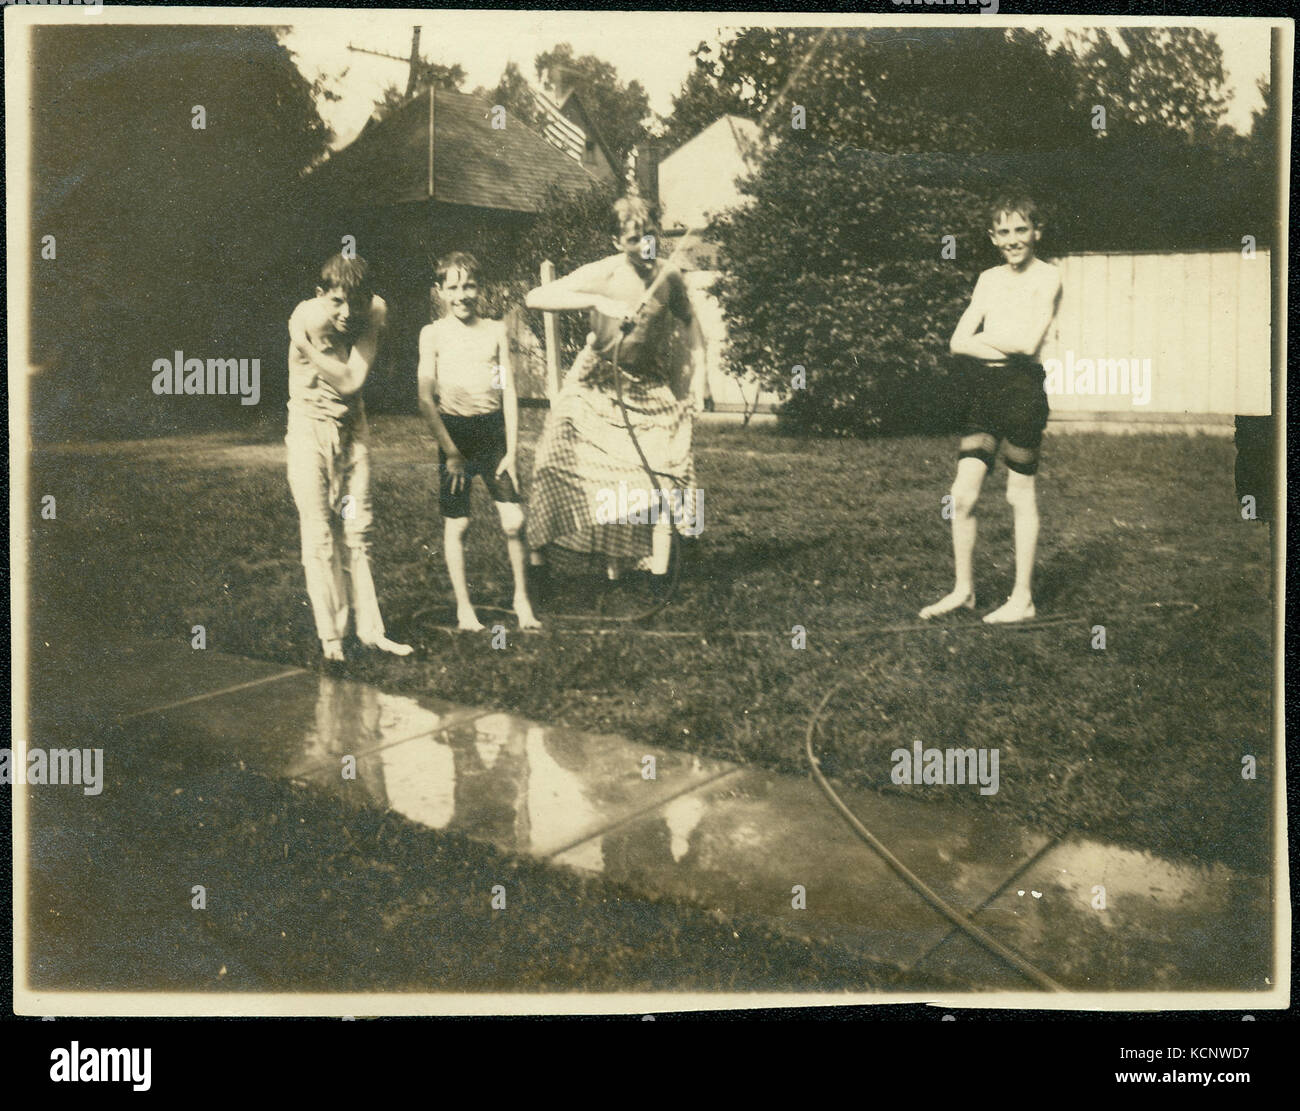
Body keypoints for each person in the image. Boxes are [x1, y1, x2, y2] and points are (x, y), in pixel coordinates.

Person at [523, 195, 707, 597]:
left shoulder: (668, 277)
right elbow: (534, 298)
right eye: (633, 240)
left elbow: (691, 323)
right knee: (552, 458)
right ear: (615, 241)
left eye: (650, 239)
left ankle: (659, 578)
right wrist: (596, 301)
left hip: (645, 383)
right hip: (596, 381)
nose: (644, 248)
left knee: (665, 472)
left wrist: (698, 380)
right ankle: (537, 568)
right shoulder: (603, 274)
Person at [920, 198, 1062, 625]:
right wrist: (1005, 338)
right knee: (961, 495)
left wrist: (989, 337)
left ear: (1037, 231)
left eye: (1022, 230)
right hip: (985, 392)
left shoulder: (1049, 276)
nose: (1013, 240)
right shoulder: (988, 279)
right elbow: (956, 341)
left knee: (1018, 495)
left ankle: (1023, 598)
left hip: (1022, 391)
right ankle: (964, 591)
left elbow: (1027, 345)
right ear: (993, 237)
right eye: (1004, 232)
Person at [286, 254, 412, 661]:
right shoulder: (307, 316)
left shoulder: (374, 311)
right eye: (337, 301)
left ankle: (371, 632)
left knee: (359, 529)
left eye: (355, 302)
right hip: (309, 429)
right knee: (321, 532)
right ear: (321, 295)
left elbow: (352, 380)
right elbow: (339, 376)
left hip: (351, 426)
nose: (346, 313)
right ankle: (333, 640)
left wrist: (304, 347)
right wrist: (304, 339)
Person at [417, 251, 540, 631]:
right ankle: (464, 609)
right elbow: (425, 398)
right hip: (454, 435)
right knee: (458, 525)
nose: (462, 295)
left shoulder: (495, 331)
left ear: (480, 288)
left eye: (468, 285)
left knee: (513, 520)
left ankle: (522, 601)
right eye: (452, 287)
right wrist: (451, 453)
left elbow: (508, 394)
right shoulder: (433, 334)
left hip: (492, 435)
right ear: (439, 291)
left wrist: (512, 450)